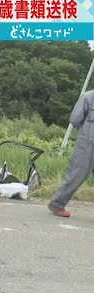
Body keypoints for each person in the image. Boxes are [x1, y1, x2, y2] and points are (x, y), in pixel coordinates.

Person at [48, 89, 94, 218]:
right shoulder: (88, 97)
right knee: (76, 175)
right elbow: (75, 119)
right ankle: (57, 204)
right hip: (87, 143)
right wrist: (86, 133)